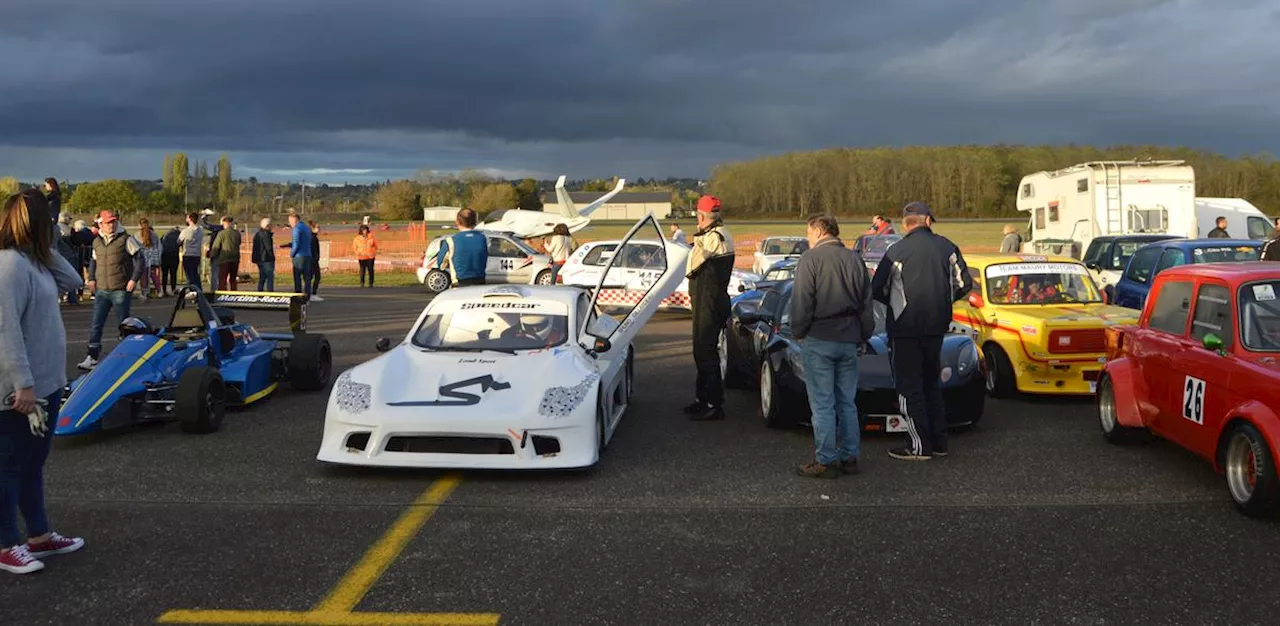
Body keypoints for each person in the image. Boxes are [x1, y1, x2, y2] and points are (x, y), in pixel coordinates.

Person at [0, 189, 86, 575]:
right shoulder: (9, 267)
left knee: (33, 464)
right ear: (37, 224)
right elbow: (6, 332)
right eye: (48, 223)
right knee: (10, 467)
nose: (54, 228)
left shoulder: (33, 263)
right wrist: (23, 385)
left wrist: (46, 252)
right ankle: (5, 544)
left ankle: (39, 535)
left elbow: (72, 282)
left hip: (46, 383)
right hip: (21, 390)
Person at [871, 201, 972, 461]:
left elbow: (877, 288)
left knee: (908, 388)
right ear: (927, 220)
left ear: (906, 224)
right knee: (931, 385)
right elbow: (964, 283)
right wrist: (943, 302)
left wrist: (897, 306)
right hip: (936, 328)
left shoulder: (897, 250)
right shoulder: (947, 246)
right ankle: (939, 443)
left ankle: (918, 447)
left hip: (904, 330)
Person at [790, 214, 875, 478]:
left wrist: (799, 332)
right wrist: (863, 335)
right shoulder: (855, 259)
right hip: (849, 337)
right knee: (847, 401)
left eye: (808, 233)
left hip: (820, 337)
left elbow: (802, 301)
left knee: (823, 403)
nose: (807, 239)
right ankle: (850, 456)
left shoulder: (810, 259)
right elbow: (866, 303)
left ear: (818, 231)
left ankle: (825, 460)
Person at [683, 195, 735, 421]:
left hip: (709, 301)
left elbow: (693, 266)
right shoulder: (721, 234)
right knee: (701, 350)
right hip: (711, 300)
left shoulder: (712, 237)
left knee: (705, 351)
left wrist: (697, 238)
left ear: (701, 215)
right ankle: (702, 399)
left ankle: (714, 403)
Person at [79, 210, 146, 371]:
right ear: (101, 224)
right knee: (96, 324)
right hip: (102, 289)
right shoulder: (96, 242)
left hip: (120, 289)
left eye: (114, 222)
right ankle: (92, 356)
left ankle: (129, 357)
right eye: (108, 222)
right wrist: (92, 279)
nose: (112, 225)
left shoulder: (125, 239)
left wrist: (133, 279)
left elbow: (140, 259)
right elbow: (94, 261)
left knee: (124, 324)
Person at [435, 208, 488, 287]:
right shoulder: (483, 239)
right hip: (480, 283)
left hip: (460, 284)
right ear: (475, 222)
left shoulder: (451, 241)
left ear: (457, 222)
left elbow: (441, 265)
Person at [279, 211, 314, 298]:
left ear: (295, 220)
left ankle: (298, 296)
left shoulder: (296, 229)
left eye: (290, 221)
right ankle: (307, 296)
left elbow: (296, 243)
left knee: (297, 277)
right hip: (308, 255)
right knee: (307, 278)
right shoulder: (306, 228)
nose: (289, 223)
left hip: (299, 256)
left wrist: (292, 254)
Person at [209, 216, 241, 291]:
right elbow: (239, 243)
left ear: (225, 223)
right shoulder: (237, 234)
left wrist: (212, 256)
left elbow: (216, 246)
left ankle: (222, 295)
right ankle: (234, 294)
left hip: (224, 259)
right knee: (233, 279)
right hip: (235, 259)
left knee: (222, 279)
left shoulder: (221, 233)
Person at [136, 218, 163, 299]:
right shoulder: (154, 234)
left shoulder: (137, 235)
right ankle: (159, 291)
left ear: (139, 225)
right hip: (154, 258)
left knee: (143, 276)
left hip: (143, 259)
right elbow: (159, 246)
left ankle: (144, 293)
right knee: (154, 276)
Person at [178, 212, 204, 289]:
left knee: (189, 275)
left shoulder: (185, 231)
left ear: (190, 219)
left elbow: (178, 241)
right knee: (196, 274)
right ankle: (199, 290)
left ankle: (192, 291)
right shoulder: (201, 230)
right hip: (197, 254)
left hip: (188, 254)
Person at [252, 217, 275, 291]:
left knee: (262, 277)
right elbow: (268, 248)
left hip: (259, 259)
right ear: (267, 226)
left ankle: (260, 293)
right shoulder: (266, 235)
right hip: (266, 259)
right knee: (270, 277)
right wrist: (272, 257)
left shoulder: (258, 234)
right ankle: (270, 293)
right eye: (270, 225)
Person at [160, 226, 180, 296]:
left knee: (164, 274)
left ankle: (164, 289)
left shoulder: (165, 235)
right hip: (174, 255)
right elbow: (180, 243)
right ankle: (173, 289)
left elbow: (160, 243)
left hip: (164, 255)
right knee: (173, 273)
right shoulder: (179, 235)